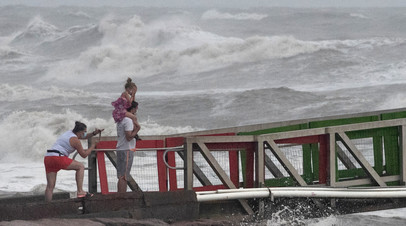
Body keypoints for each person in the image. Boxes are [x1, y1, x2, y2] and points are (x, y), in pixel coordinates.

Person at [44, 121, 104, 201]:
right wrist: (93, 146)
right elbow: (84, 154)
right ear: (79, 132)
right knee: (80, 166)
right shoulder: (76, 141)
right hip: (58, 157)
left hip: (48, 157)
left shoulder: (69, 133)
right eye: (85, 132)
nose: (86, 133)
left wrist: (94, 133)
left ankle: (47, 207)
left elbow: (83, 137)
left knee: (50, 187)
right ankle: (80, 191)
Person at [116, 101, 141, 193]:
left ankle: (120, 195)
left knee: (121, 176)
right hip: (126, 149)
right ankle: (122, 196)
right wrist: (137, 129)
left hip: (120, 148)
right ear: (133, 109)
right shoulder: (128, 120)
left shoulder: (120, 119)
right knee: (124, 176)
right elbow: (129, 137)